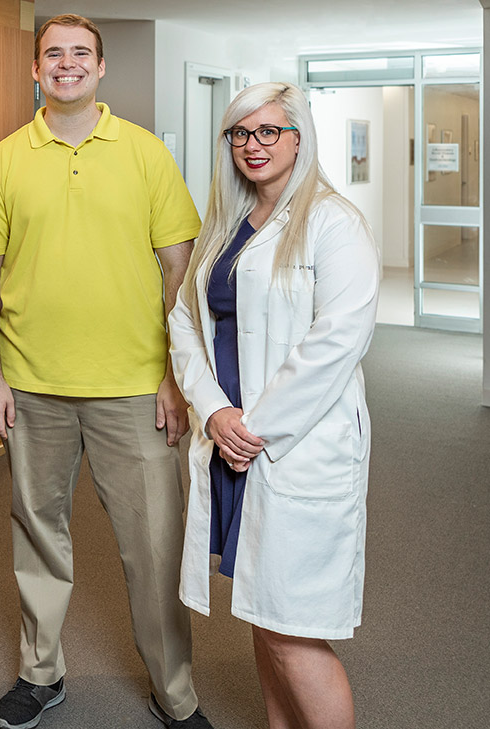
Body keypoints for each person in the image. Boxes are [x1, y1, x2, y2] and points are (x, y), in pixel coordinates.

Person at [0, 13, 213, 729]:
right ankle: (40, 674)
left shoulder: (143, 155)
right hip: (32, 385)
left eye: (79, 54)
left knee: (155, 545)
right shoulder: (6, 158)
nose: (65, 64)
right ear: (34, 71)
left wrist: (175, 377)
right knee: (38, 533)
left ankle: (176, 691)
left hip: (135, 388)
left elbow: (179, 271)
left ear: (101, 69)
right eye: (52, 54)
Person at [168, 81, 378, 729]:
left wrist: (253, 426)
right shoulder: (227, 224)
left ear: (297, 138)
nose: (253, 145)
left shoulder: (332, 221)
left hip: (290, 450)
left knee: (294, 632)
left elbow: (339, 339)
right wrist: (212, 411)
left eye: (268, 132)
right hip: (231, 443)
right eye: (240, 133)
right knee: (263, 616)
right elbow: (184, 321)